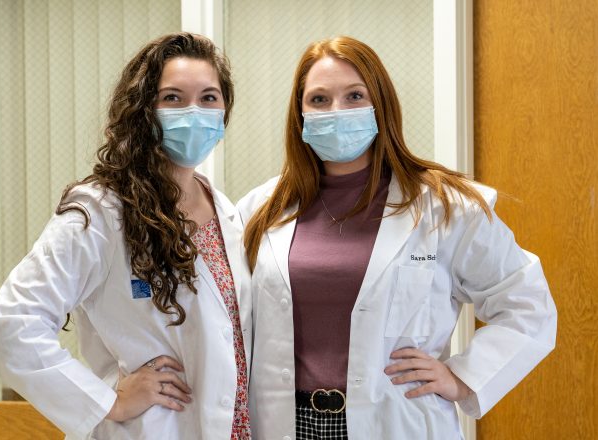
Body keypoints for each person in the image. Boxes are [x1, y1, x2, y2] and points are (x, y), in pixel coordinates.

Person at [237, 36, 557, 439]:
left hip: (397, 423)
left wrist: (461, 378)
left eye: (355, 95)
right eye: (319, 100)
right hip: (285, 424)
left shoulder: (445, 207)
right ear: (299, 114)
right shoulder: (261, 209)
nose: (337, 111)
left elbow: (527, 303)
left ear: (381, 106)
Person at [0, 32, 251, 440]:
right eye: (173, 98)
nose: (194, 113)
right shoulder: (102, 211)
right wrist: (108, 402)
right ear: (144, 110)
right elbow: (9, 328)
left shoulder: (227, 212)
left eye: (208, 98)